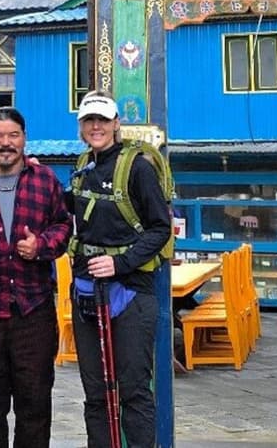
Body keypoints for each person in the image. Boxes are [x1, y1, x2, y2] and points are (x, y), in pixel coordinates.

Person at [0, 107, 72, 448]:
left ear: (24, 138)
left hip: (33, 309)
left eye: (13, 135)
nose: (5, 143)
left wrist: (42, 246)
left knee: (35, 401)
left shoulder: (45, 180)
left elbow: (64, 226)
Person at [67, 91, 171, 448]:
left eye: (102, 120)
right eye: (88, 121)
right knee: (95, 394)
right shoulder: (82, 166)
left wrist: (119, 263)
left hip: (131, 291)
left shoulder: (138, 167)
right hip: (85, 291)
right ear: (81, 127)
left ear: (116, 123)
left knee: (134, 392)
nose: (95, 126)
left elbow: (160, 227)